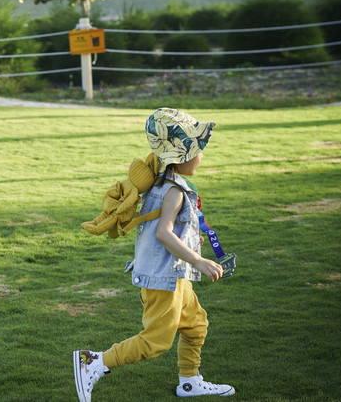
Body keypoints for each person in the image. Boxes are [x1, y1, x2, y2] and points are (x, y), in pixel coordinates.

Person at [73, 108, 235, 401]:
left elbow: (165, 230)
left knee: (196, 323)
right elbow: (163, 232)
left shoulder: (160, 182)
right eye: (198, 150)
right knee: (156, 342)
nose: (201, 157)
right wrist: (197, 259)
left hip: (174, 273)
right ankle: (94, 362)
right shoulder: (173, 190)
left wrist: (191, 241)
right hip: (164, 278)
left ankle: (190, 381)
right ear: (183, 156)